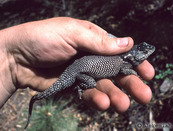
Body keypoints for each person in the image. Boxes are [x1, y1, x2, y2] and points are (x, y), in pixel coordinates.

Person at [0, 17, 155, 113]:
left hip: (79, 67)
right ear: (135, 54)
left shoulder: (121, 58)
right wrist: (133, 73)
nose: (146, 55)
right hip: (79, 72)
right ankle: (81, 86)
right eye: (144, 53)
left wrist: (10, 58)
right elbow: (124, 70)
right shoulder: (123, 63)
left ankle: (78, 85)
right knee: (92, 83)